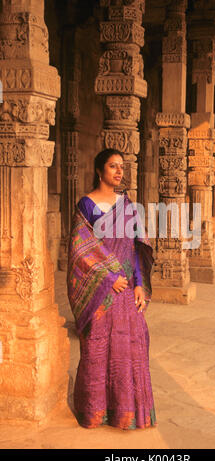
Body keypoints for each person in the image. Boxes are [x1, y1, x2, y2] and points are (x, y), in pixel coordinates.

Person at [66, 148, 157, 430]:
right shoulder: (87, 205)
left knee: (132, 347)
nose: (119, 171)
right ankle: (95, 413)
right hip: (102, 291)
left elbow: (134, 248)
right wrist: (107, 278)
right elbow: (80, 251)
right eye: (113, 166)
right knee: (96, 349)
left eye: (121, 167)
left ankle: (126, 413)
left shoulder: (128, 205)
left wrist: (139, 284)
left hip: (127, 288)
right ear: (99, 170)